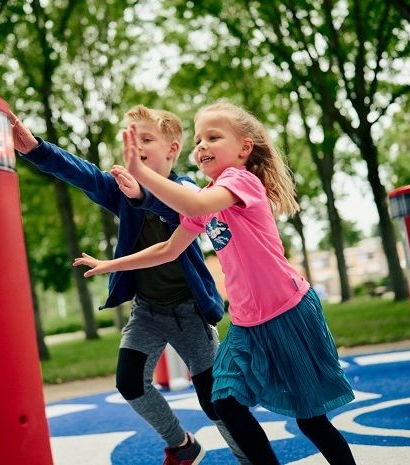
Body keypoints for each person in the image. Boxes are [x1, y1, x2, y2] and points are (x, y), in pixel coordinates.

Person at [75, 101, 357, 465]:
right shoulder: (207, 196)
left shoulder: (240, 182)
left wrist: (141, 174)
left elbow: (192, 206)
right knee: (222, 400)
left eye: (213, 136)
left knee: (311, 420)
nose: (202, 145)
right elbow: (168, 248)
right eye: (198, 139)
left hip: (288, 312)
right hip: (246, 323)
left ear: (243, 149)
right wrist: (110, 264)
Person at [11, 105, 250, 465]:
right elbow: (84, 174)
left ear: (172, 149)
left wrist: (142, 194)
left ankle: (248, 456)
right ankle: (182, 445)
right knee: (130, 382)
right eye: (131, 140)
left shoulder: (187, 188)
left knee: (214, 400)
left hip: (190, 313)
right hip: (148, 312)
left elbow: (180, 210)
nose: (136, 146)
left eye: (147, 139)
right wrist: (35, 149)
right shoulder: (121, 191)